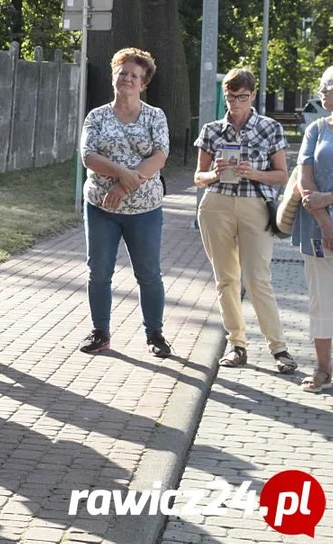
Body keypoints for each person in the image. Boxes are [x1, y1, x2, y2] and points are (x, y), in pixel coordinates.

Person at [194, 67, 297, 373]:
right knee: (226, 279)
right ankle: (237, 345)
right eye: (230, 96)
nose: (235, 102)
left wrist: (254, 172)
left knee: (257, 278)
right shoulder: (212, 130)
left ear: (253, 95)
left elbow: (281, 175)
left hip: (255, 205)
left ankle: (278, 348)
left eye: (241, 96)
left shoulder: (269, 128)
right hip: (217, 204)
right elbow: (198, 177)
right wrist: (215, 172)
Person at [78, 48, 173, 358]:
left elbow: (159, 156)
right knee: (99, 272)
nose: (127, 78)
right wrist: (120, 175)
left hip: (144, 210)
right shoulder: (97, 116)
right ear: (113, 76)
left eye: (134, 75)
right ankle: (100, 332)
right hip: (101, 207)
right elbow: (88, 156)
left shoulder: (154, 116)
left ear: (143, 83)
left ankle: (155, 334)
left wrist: (123, 186)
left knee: (148, 273)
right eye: (122, 72)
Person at [295, 66, 333, 392]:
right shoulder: (316, 129)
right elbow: (304, 180)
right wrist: (325, 223)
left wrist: (329, 197)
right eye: (322, 85)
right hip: (318, 227)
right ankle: (322, 369)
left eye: (328, 86)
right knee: (320, 300)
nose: (322, 91)